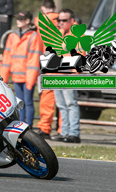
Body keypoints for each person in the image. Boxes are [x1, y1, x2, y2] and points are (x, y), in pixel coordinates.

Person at [0, 11, 43, 128]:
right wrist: (2, 77)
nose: (18, 21)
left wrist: (31, 78)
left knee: (28, 102)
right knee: (20, 104)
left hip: (28, 76)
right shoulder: (12, 36)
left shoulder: (34, 37)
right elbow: (7, 57)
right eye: (17, 19)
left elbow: (34, 59)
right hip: (17, 75)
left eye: (21, 19)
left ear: (27, 21)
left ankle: (29, 127)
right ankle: (21, 127)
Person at [50, 9, 82, 143]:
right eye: (59, 20)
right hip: (58, 75)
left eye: (64, 20)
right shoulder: (61, 34)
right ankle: (64, 133)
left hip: (70, 75)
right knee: (62, 105)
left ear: (71, 20)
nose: (60, 23)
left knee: (71, 104)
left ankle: (74, 134)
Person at [34, 0, 59, 139]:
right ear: (54, 8)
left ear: (43, 8)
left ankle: (45, 128)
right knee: (62, 98)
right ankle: (62, 128)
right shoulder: (62, 22)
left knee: (47, 97)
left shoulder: (39, 22)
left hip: (46, 62)